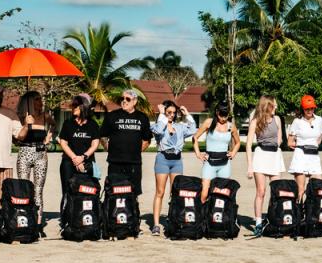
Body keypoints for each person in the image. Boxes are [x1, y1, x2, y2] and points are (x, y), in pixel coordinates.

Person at [149, 100, 197, 236]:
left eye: (173, 113)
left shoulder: (180, 127)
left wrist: (187, 114)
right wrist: (161, 115)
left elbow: (193, 129)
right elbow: (158, 130)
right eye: (168, 112)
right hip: (163, 159)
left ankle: (173, 220)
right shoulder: (158, 125)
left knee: (175, 192)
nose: (171, 115)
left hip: (177, 160)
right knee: (160, 192)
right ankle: (156, 224)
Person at [99, 89, 152, 198]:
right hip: (115, 162)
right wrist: (108, 148)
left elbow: (147, 140)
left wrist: (135, 152)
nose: (124, 101)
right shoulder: (112, 116)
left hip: (134, 163)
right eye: (122, 98)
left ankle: (132, 209)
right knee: (113, 191)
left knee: (133, 193)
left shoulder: (142, 117)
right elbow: (103, 135)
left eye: (128, 99)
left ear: (135, 101)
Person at [245, 96, 286, 237]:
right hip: (261, 156)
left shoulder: (277, 119)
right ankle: (258, 223)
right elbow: (248, 145)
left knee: (276, 192)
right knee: (261, 192)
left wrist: (276, 144)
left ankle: (272, 220)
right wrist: (250, 166)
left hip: (274, 156)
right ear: (267, 106)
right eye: (274, 105)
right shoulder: (255, 121)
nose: (276, 107)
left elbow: (280, 138)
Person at [16, 91, 55, 225]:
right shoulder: (21, 117)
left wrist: (48, 137)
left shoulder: (45, 116)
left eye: (40, 99)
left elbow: (53, 125)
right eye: (37, 99)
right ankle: (25, 218)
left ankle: (38, 222)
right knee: (24, 188)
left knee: (38, 190)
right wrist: (26, 125)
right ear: (29, 102)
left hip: (41, 154)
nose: (40, 102)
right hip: (24, 152)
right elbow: (19, 137)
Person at [58, 93, 100, 213]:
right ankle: (67, 217)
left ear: (83, 107)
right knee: (67, 191)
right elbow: (63, 142)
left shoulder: (93, 124)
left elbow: (95, 144)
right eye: (73, 105)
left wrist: (83, 157)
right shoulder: (68, 123)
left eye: (75, 105)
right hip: (68, 162)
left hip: (87, 162)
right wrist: (75, 158)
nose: (73, 108)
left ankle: (85, 215)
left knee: (87, 189)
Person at [193, 102, 240, 202]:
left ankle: (217, 212)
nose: (223, 118)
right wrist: (198, 154)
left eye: (226, 116)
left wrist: (233, 153)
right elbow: (195, 137)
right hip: (209, 164)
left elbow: (238, 142)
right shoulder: (209, 122)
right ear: (217, 112)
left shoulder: (231, 126)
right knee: (205, 193)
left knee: (222, 194)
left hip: (224, 165)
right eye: (221, 115)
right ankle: (203, 211)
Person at [287, 95, 322, 202]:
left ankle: (311, 210)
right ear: (302, 108)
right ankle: (298, 209)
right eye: (307, 108)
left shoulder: (319, 120)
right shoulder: (297, 121)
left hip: (314, 156)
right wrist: (300, 145)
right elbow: (290, 142)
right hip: (301, 156)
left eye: (312, 108)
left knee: (317, 187)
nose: (309, 110)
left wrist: (313, 145)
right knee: (301, 189)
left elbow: (319, 137)